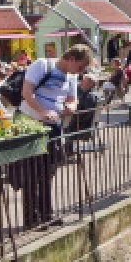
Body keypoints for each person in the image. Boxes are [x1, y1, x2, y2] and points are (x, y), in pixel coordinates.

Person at [19, 44, 93, 227]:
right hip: (32, 125)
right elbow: (27, 92)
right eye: (80, 66)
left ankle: (46, 214)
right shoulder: (42, 65)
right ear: (71, 59)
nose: (81, 71)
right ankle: (31, 218)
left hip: (53, 126)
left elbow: (72, 98)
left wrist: (72, 107)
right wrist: (42, 111)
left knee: (48, 170)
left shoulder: (71, 76)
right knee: (32, 171)